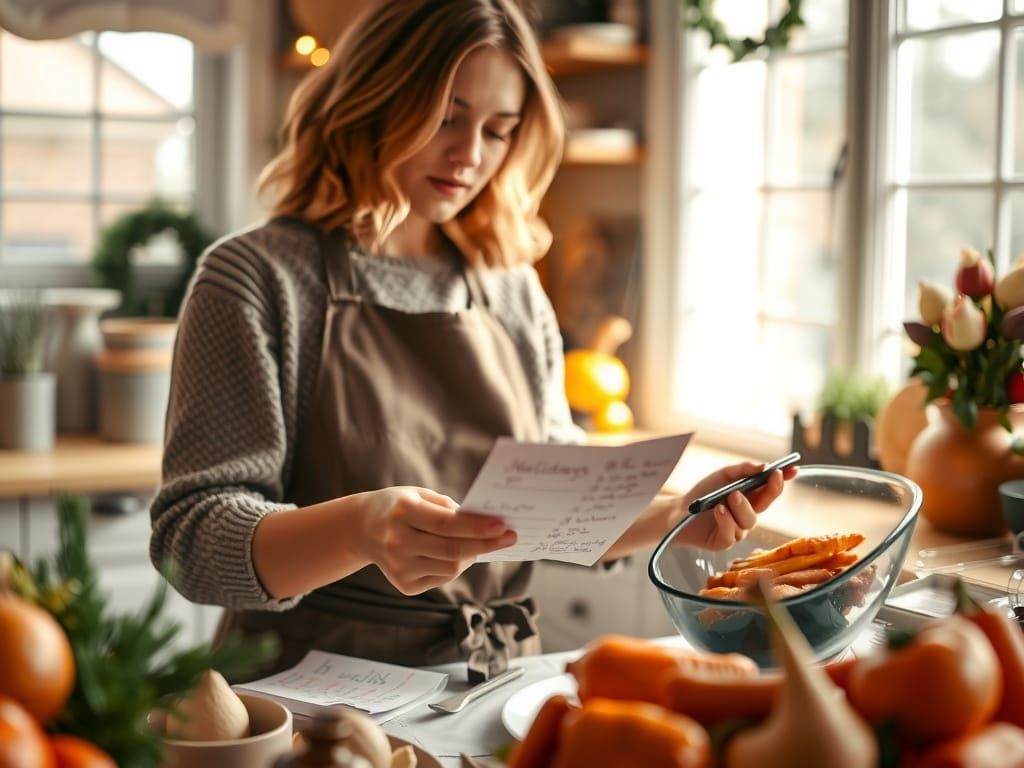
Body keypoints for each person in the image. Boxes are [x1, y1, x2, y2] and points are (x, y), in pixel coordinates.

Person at [150, 0, 796, 681]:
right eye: (447, 116)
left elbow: (546, 514)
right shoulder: (257, 280)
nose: (469, 155)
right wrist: (358, 530)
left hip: (486, 684)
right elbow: (191, 539)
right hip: (305, 703)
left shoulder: (509, 285)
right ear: (372, 97)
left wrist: (673, 514)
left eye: (498, 130)